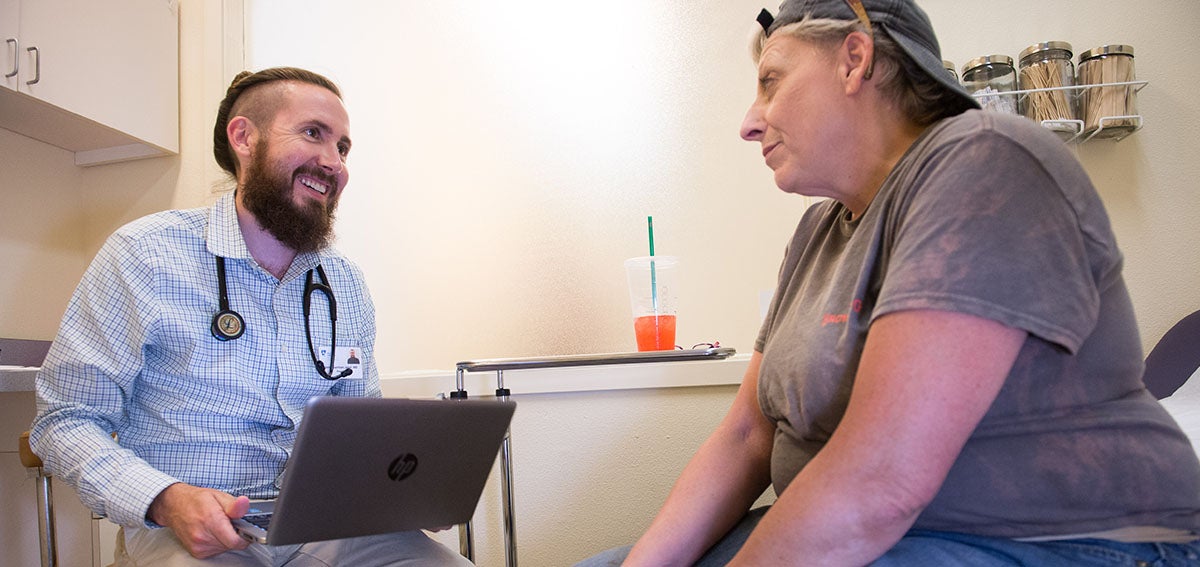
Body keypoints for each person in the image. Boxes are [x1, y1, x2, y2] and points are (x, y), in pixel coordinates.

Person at [579, 1, 1200, 565]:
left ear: (855, 59)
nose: (750, 121)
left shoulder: (986, 161)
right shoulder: (819, 232)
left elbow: (881, 481)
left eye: (771, 81)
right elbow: (748, 434)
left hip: (1070, 541)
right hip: (897, 531)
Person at [30, 67, 470, 566]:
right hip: (193, 535)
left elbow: (361, 432)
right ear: (243, 137)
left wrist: (397, 490)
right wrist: (166, 500)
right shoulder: (145, 255)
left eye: (343, 148)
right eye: (313, 134)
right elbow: (65, 421)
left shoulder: (343, 282)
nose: (333, 162)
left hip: (329, 526)